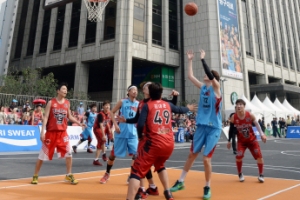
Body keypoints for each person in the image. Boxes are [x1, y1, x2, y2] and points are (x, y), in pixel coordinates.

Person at [126, 82, 197, 200]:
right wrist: (187, 108)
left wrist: (139, 136)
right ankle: (167, 193)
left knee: (136, 171)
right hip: (168, 143)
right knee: (159, 165)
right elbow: (178, 109)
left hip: (152, 142)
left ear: (150, 92)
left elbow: (140, 124)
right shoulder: (165, 104)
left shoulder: (147, 106)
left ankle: (140, 192)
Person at [170, 49, 222, 200]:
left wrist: (202, 60)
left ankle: (207, 187)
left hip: (214, 128)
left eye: (207, 74)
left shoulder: (216, 89)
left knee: (206, 159)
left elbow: (211, 76)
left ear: (212, 78)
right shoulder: (203, 87)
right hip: (201, 126)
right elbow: (190, 76)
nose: (205, 75)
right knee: (192, 154)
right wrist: (190, 60)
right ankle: (180, 182)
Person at [119, 81, 179, 199]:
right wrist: (126, 120)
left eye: (149, 86)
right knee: (154, 165)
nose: (148, 87)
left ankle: (143, 190)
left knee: (138, 167)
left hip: (149, 140)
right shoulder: (141, 104)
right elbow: (137, 119)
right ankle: (154, 189)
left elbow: (173, 106)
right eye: (147, 86)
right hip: (154, 140)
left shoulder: (153, 103)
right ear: (144, 90)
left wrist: (140, 134)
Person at [31, 83, 85, 185]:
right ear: (58, 91)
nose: (65, 91)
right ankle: (35, 175)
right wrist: (42, 131)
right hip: (51, 133)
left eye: (66, 89)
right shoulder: (51, 103)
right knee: (42, 156)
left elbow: (69, 116)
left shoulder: (67, 103)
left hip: (62, 133)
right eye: (63, 89)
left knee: (69, 154)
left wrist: (78, 122)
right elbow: (46, 117)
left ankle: (68, 175)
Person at [99, 85, 139, 184]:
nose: (135, 91)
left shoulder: (138, 104)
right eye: (133, 90)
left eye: (136, 90)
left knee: (136, 155)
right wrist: (116, 125)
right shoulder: (122, 101)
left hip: (133, 133)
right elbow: (112, 112)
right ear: (128, 92)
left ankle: (131, 175)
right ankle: (107, 173)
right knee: (113, 155)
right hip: (121, 132)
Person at [228, 99, 267, 182]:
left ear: (244, 106)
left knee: (259, 156)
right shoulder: (234, 117)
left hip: (252, 140)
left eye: (240, 104)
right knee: (238, 156)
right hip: (241, 141)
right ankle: (240, 174)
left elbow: (257, 125)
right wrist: (229, 141)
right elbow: (231, 129)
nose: (238, 106)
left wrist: (262, 134)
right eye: (237, 104)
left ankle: (261, 174)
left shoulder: (250, 115)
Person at [92, 101, 113, 166]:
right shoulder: (100, 114)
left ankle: (103, 154)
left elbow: (108, 124)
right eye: (106, 105)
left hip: (103, 129)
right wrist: (104, 135)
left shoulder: (109, 114)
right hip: (97, 129)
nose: (107, 106)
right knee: (101, 142)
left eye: (108, 105)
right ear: (103, 107)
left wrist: (110, 131)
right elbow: (101, 125)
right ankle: (96, 160)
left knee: (103, 141)